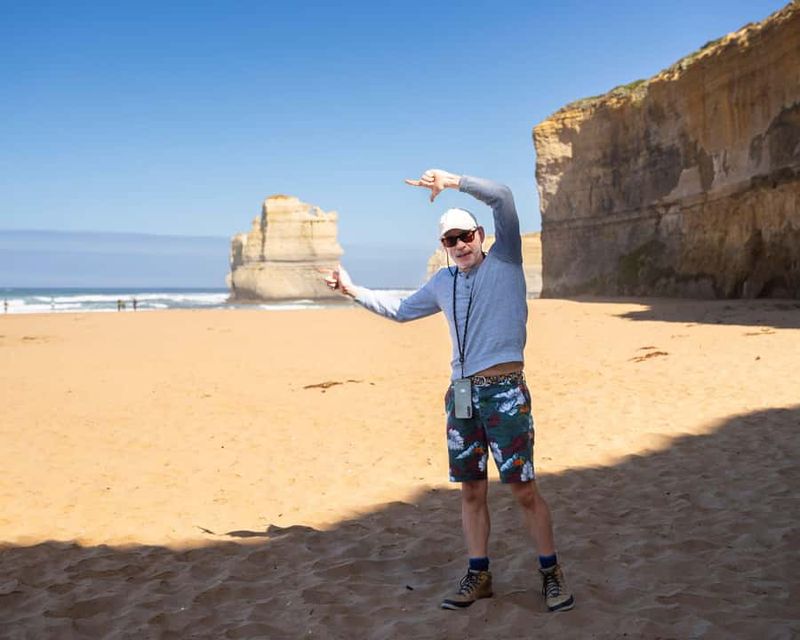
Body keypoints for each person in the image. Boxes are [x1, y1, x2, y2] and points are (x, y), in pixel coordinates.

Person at [323, 169, 574, 612]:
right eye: (449, 240)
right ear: (444, 247)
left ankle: (551, 574)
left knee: (523, 489)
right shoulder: (443, 283)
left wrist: (453, 181)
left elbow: (503, 197)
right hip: (460, 397)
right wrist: (351, 290)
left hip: (504, 393)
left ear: (480, 235)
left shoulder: (506, 261)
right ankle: (479, 574)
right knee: (471, 490)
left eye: (465, 236)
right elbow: (400, 310)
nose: (459, 245)